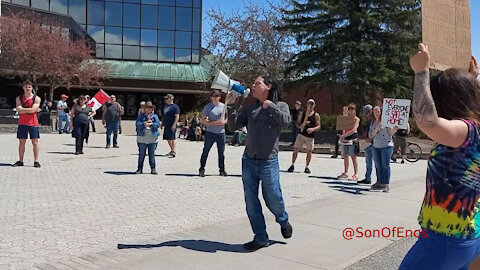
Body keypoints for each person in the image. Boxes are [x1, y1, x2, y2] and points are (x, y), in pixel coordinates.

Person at [399, 45, 480, 269]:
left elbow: (428, 121)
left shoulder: (466, 131)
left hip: (445, 238)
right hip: (464, 234)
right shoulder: (473, 131)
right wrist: (471, 80)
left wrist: (421, 71)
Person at [227, 75, 293, 252]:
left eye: (257, 83)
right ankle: (261, 238)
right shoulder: (250, 108)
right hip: (249, 160)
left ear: (268, 86)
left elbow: (286, 121)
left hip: (268, 162)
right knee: (251, 201)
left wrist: (270, 107)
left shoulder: (280, 105)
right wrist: (231, 105)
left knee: (273, 197)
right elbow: (232, 126)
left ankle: (283, 220)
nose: (253, 86)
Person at [199, 90, 228, 177]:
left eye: (217, 96)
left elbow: (227, 119)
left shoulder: (224, 106)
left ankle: (222, 170)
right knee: (206, 151)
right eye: (213, 96)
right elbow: (203, 120)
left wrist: (223, 122)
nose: (215, 98)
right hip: (210, 132)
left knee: (221, 153)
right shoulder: (208, 107)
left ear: (219, 97)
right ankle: (202, 169)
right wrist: (213, 123)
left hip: (221, 133)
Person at [13, 81, 41, 168]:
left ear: (32, 88)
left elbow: (31, 110)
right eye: (26, 87)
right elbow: (19, 109)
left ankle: (36, 161)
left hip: (33, 123)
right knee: (22, 142)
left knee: (35, 142)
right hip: (22, 123)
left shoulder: (36, 98)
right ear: (23, 88)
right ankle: (21, 160)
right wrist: (30, 110)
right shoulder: (19, 98)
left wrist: (23, 110)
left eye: (29, 87)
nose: (27, 89)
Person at [287, 99, 321, 174]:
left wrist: (312, 129)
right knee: (296, 149)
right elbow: (297, 123)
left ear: (314, 105)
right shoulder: (302, 113)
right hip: (301, 135)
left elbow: (318, 126)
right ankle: (292, 164)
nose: (310, 105)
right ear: (307, 104)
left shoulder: (316, 115)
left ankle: (307, 167)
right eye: (309, 104)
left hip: (310, 136)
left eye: (312, 104)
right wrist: (300, 126)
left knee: (309, 151)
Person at [368, 106, 397, 192]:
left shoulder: (386, 121)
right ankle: (379, 182)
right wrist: (376, 129)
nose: (376, 113)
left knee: (385, 165)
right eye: (375, 111)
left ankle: (386, 184)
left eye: (378, 111)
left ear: (381, 112)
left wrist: (394, 129)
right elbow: (370, 135)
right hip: (376, 146)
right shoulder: (373, 123)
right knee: (378, 165)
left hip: (386, 146)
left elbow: (391, 132)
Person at [135, 101, 161, 175]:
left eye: (150, 108)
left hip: (152, 138)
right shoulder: (141, 116)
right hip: (142, 137)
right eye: (147, 108)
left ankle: (153, 168)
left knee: (152, 154)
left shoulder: (155, 116)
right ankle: (139, 168)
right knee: (141, 154)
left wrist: (152, 124)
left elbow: (158, 124)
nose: (148, 109)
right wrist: (144, 124)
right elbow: (137, 124)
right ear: (144, 109)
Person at [337, 104, 360, 181]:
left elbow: (353, 130)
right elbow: (342, 128)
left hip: (352, 139)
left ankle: (356, 174)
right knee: (345, 155)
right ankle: (346, 172)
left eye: (352, 109)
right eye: (349, 109)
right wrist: (342, 136)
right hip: (345, 139)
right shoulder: (346, 119)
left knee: (353, 156)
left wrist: (343, 135)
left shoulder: (356, 119)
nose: (351, 111)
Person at [357, 104, 375, 184]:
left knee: (377, 163)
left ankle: (380, 180)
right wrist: (360, 138)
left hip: (375, 144)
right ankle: (368, 178)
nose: (367, 116)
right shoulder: (369, 121)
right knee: (368, 162)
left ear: (371, 111)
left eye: (367, 113)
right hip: (367, 144)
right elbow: (366, 132)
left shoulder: (377, 120)